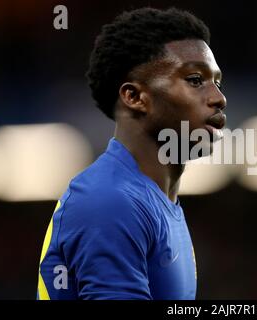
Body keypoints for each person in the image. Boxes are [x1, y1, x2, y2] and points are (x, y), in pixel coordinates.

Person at [37, 7, 226, 300]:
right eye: (194, 80)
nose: (218, 98)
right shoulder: (109, 201)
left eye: (217, 82)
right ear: (135, 97)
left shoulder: (153, 201)